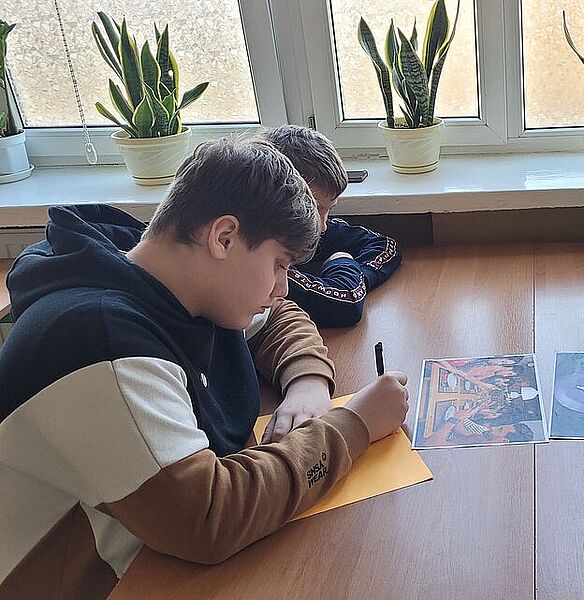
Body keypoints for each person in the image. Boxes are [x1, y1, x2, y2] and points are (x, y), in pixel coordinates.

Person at [0, 138, 409, 599]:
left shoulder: (167, 277)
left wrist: (308, 379)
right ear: (224, 237)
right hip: (93, 580)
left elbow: (278, 316)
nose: (282, 287)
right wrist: (354, 425)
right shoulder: (103, 344)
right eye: (279, 264)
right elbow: (210, 518)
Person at [259, 125, 402, 328]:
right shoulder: (266, 269)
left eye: (329, 209)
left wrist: (356, 279)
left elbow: (384, 245)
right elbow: (345, 303)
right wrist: (342, 262)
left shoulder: (310, 231)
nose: (322, 226)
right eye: (314, 209)